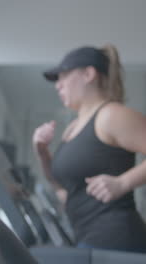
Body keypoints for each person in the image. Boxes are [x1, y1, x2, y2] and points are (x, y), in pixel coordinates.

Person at [33, 44, 146, 253]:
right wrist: (42, 152)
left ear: (88, 74)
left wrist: (123, 182)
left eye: (63, 76)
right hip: (87, 239)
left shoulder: (111, 115)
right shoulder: (73, 128)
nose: (58, 85)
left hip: (115, 241)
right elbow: (60, 187)